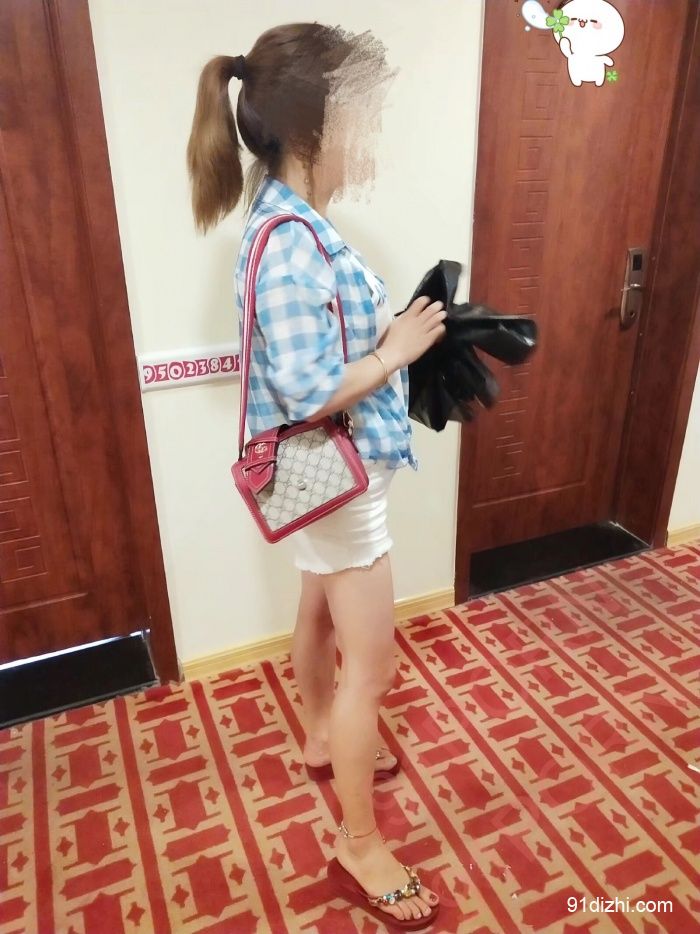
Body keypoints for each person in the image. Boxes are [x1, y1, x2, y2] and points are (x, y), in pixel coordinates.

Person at [187, 22, 447, 930]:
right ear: (314, 125)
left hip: (321, 481)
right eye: (360, 114)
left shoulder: (282, 220)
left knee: (315, 610)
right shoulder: (294, 239)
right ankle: (359, 844)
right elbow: (306, 390)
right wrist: (395, 350)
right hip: (339, 481)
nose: (368, 134)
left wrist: (392, 338)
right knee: (372, 667)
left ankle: (317, 737)